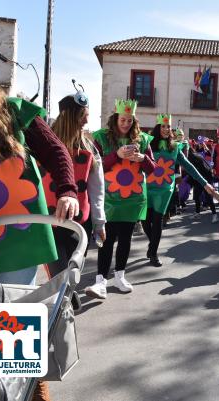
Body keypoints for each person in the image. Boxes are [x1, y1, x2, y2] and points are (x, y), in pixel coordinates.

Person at [0, 26, 78, 286]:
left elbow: (56, 150)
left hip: (18, 241)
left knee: (11, 321)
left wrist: (68, 190)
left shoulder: (13, 112)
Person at [86, 99, 156, 298]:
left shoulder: (143, 139)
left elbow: (153, 169)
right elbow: (94, 167)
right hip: (108, 198)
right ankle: (100, 281)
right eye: (122, 120)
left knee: (125, 239)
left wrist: (143, 159)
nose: (125, 124)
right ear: (116, 118)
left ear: (134, 121)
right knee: (106, 240)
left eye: (129, 120)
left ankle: (120, 276)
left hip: (132, 198)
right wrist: (116, 155)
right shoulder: (101, 137)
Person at [44, 89, 106, 278]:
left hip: (79, 224)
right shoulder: (43, 144)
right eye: (82, 116)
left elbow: (97, 189)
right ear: (70, 117)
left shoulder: (90, 150)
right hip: (48, 222)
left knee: (72, 275)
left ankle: (68, 301)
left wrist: (99, 223)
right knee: (59, 277)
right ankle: (67, 302)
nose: (86, 121)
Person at [143, 114, 214, 266]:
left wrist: (204, 183)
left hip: (164, 189)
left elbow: (189, 166)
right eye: (163, 126)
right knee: (145, 221)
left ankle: (154, 253)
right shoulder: (147, 143)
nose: (166, 129)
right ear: (157, 127)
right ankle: (152, 244)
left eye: (168, 126)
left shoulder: (175, 147)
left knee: (157, 221)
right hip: (147, 187)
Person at [187, 145, 218, 222]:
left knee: (208, 197)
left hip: (206, 178)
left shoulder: (194, 157)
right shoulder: (192, 156)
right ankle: (197, 213)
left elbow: (199, 170)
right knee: (197, 196)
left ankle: (215, 215)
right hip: (199, 178)